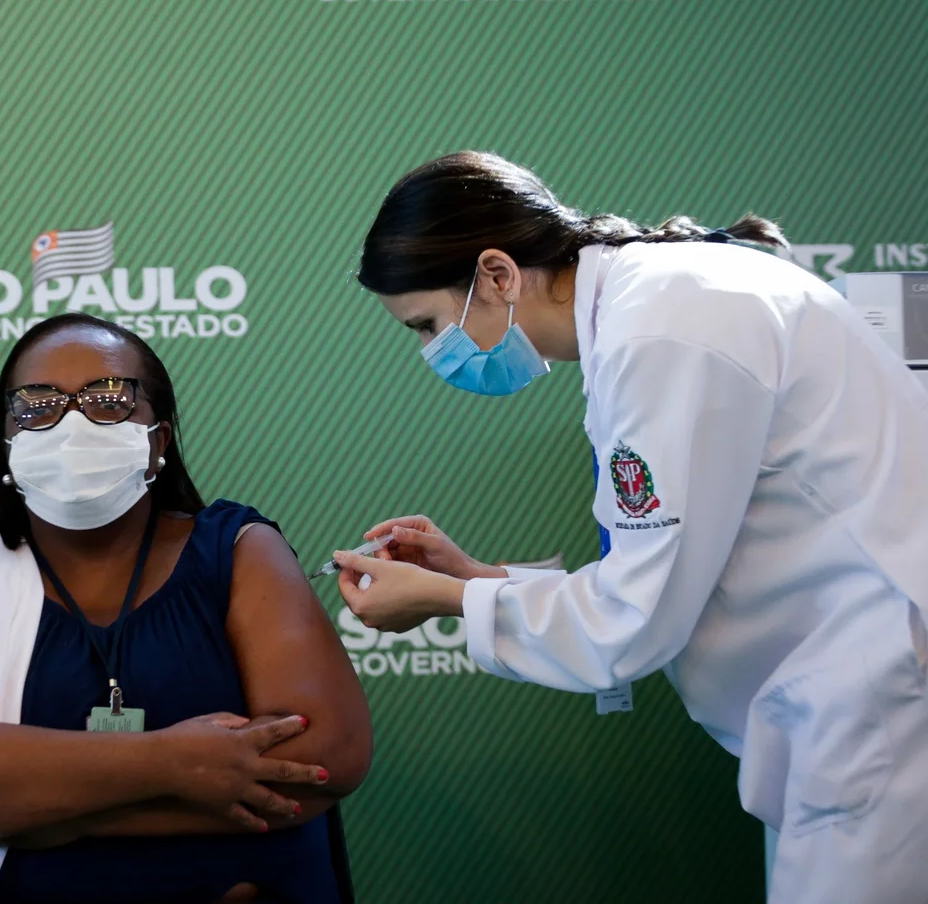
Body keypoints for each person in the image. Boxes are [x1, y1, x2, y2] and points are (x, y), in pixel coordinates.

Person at [333, 151, 928, 904]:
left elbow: (632, 621)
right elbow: (665, 568)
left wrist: (445, 601)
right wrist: (477, 579)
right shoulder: (650, 307)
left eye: (427, 324)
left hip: (879, 709)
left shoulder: (661, 332)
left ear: (496, 274)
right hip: (851, 703)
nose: (431, 351)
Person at [0, 313, 371, 904]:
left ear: (157, 441)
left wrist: (35, 813)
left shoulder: (238, 549)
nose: (70, 422)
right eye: (37, 403)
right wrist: (174, 765)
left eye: (108, 398)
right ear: (8, 439)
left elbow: (323, 758)